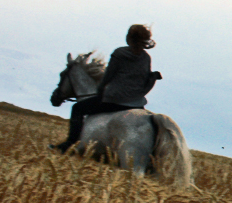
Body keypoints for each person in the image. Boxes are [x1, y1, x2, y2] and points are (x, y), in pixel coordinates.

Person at [52, 24, 162, 153]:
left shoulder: (119, 53)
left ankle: (69, 144)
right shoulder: (146, 58)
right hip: (137, 104)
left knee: (77, 108)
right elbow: (143, 79)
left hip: (114, 101)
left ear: (129, 38)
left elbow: (108, 76)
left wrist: (101, 91)